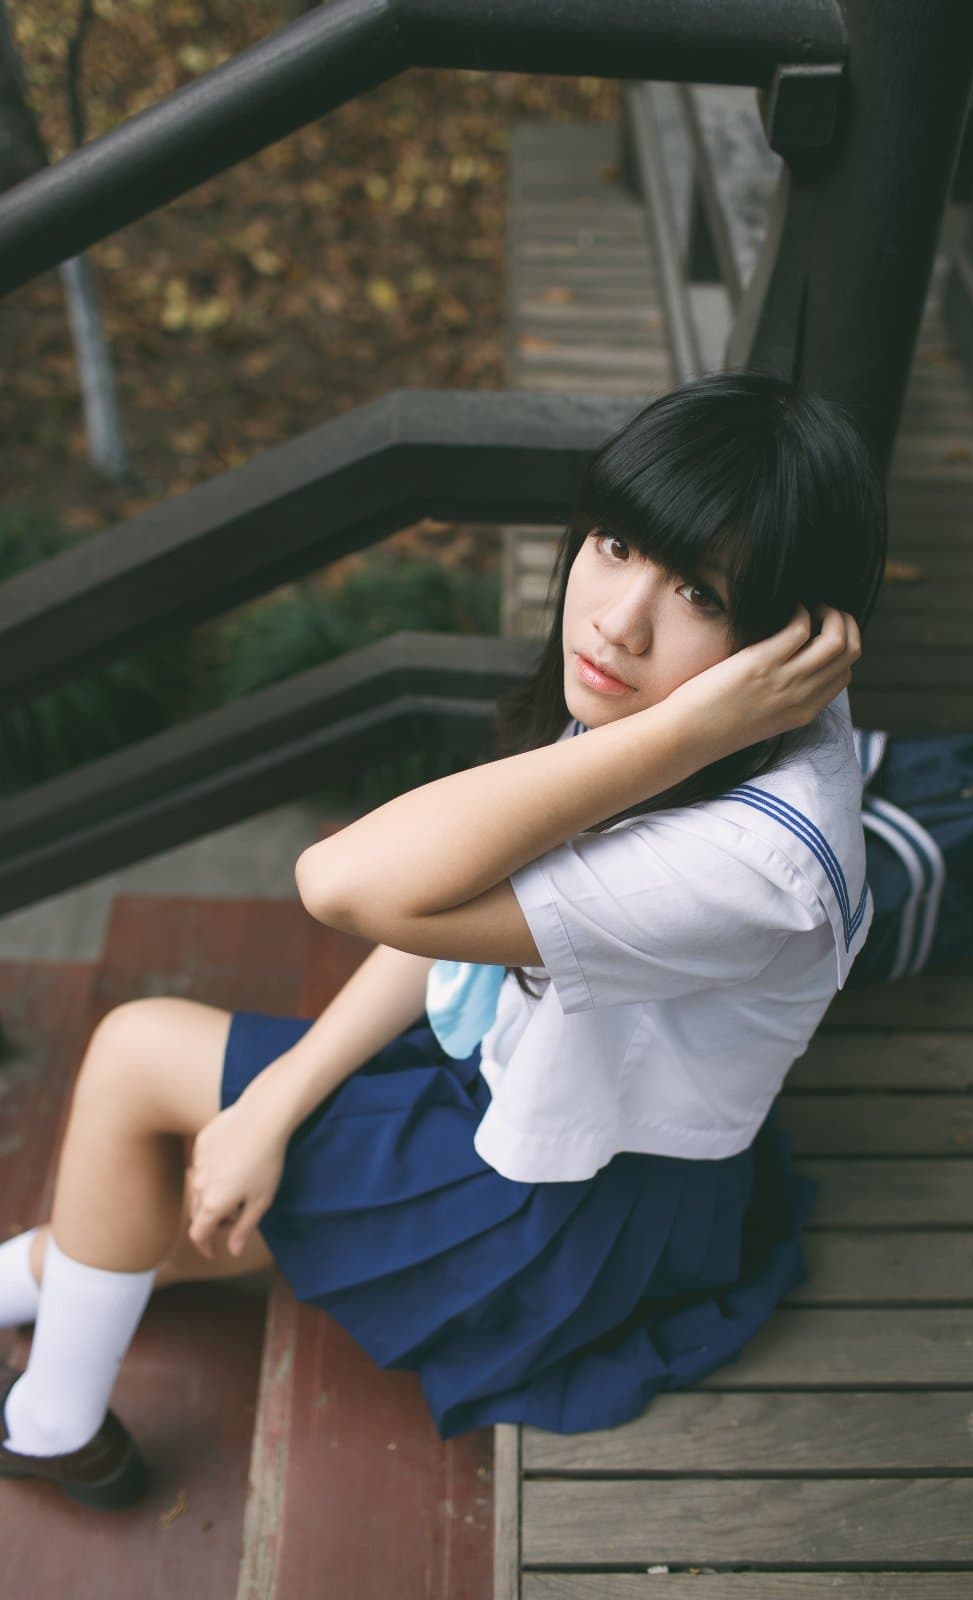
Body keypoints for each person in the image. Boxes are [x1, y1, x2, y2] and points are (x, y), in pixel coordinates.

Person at [0, 368, 884, 1509]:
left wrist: (673, 734)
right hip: (545, 1083)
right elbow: (455, 912)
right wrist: (276, 1101)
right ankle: (39, 1286)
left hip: (551, 1201)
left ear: (784, 643)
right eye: (613, 544)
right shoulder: (711, 703)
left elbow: (345, 881)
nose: (617, 618)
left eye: (701, 594)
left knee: (133, 1053)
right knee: (201, 1188)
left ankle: (52, 1426)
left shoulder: (740, 841)